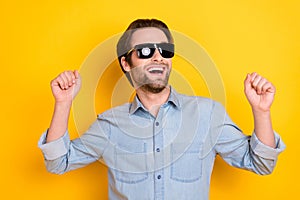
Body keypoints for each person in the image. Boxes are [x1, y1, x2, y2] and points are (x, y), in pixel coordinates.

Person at [38, 19, 285, 200]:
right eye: (146, 51)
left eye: (165, 50)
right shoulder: (109, 125)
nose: (158, 57)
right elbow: (58, 162)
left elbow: (262, 164)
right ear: (126, 62)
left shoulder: (207, 114)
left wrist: (262, 111)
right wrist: (63, 103)